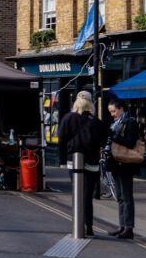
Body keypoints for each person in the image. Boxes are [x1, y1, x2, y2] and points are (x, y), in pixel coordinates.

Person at [57, 92, 104, 236]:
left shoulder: (68, 118)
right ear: (91, 103)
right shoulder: (95, 121)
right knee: (87, 196)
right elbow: (102, 140)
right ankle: (88, 226)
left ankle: (78, 225)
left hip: (74, 161)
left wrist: (62, 161)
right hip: (91, 162)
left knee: (77, 193)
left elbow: (61, 140)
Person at [106, 98, 140, 239]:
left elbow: (130, 142)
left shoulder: (130, 122)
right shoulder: (115, 123)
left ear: (121, 109)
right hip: (115, 164)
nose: (112, 114)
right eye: (111, 112)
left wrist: (113, 137)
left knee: (127, 197)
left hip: (126, 164)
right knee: (119, 197)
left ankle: (129, 228)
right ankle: (122, 226)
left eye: (114, 111)